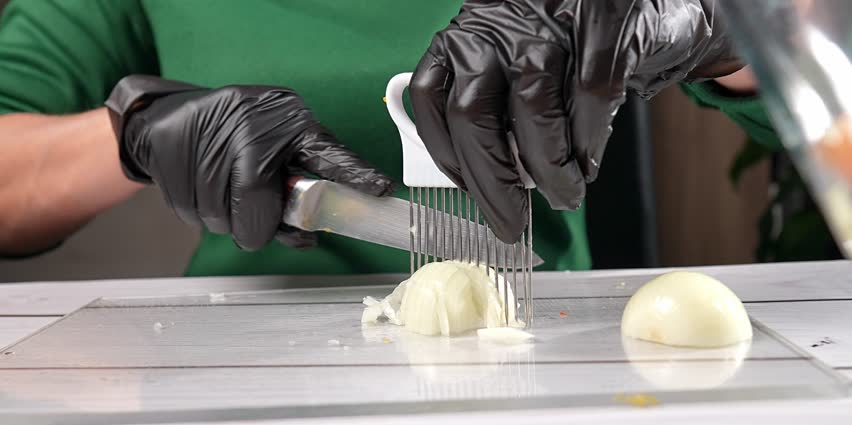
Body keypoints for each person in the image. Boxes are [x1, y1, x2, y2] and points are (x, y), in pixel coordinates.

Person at [0, 0, 778, 277]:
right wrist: (138, 134)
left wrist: (720, 28)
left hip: (537, 348)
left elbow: (820, 68)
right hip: (242, 369)